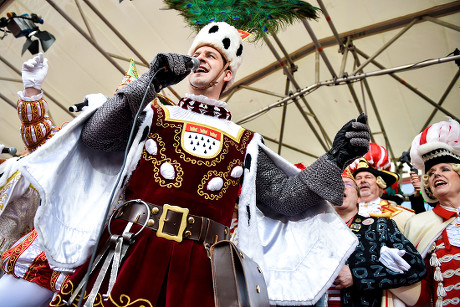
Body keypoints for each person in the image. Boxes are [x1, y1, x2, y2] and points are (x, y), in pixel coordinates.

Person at [16, 22, 369, 306]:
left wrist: (335, 159)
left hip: (202, 271)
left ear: (228, 74)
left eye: (212, 55)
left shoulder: (245, 141)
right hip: (130, 250)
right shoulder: (153, 113)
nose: (201, 57)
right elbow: (95, 137)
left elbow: (284, 201)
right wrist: (150, 82)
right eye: (197, 52)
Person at [327, 168, 426, 306]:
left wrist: (358, 275)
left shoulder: (380, 225)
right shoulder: (315, 230)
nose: (341, 187)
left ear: (358, 197)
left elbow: (415, 267)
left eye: (348, 184)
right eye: (334, 185)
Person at [390, 118, 460, 306]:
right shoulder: (418, 223)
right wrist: (390, 277)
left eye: (445, 169)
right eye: (431, 173)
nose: (437, 174)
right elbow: (423, 296)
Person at [351, 156, 414, 232]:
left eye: (368, 177)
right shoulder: (342, 215)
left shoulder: (403, 216)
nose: (363, 180)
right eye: (358, 178)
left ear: (380, 183)